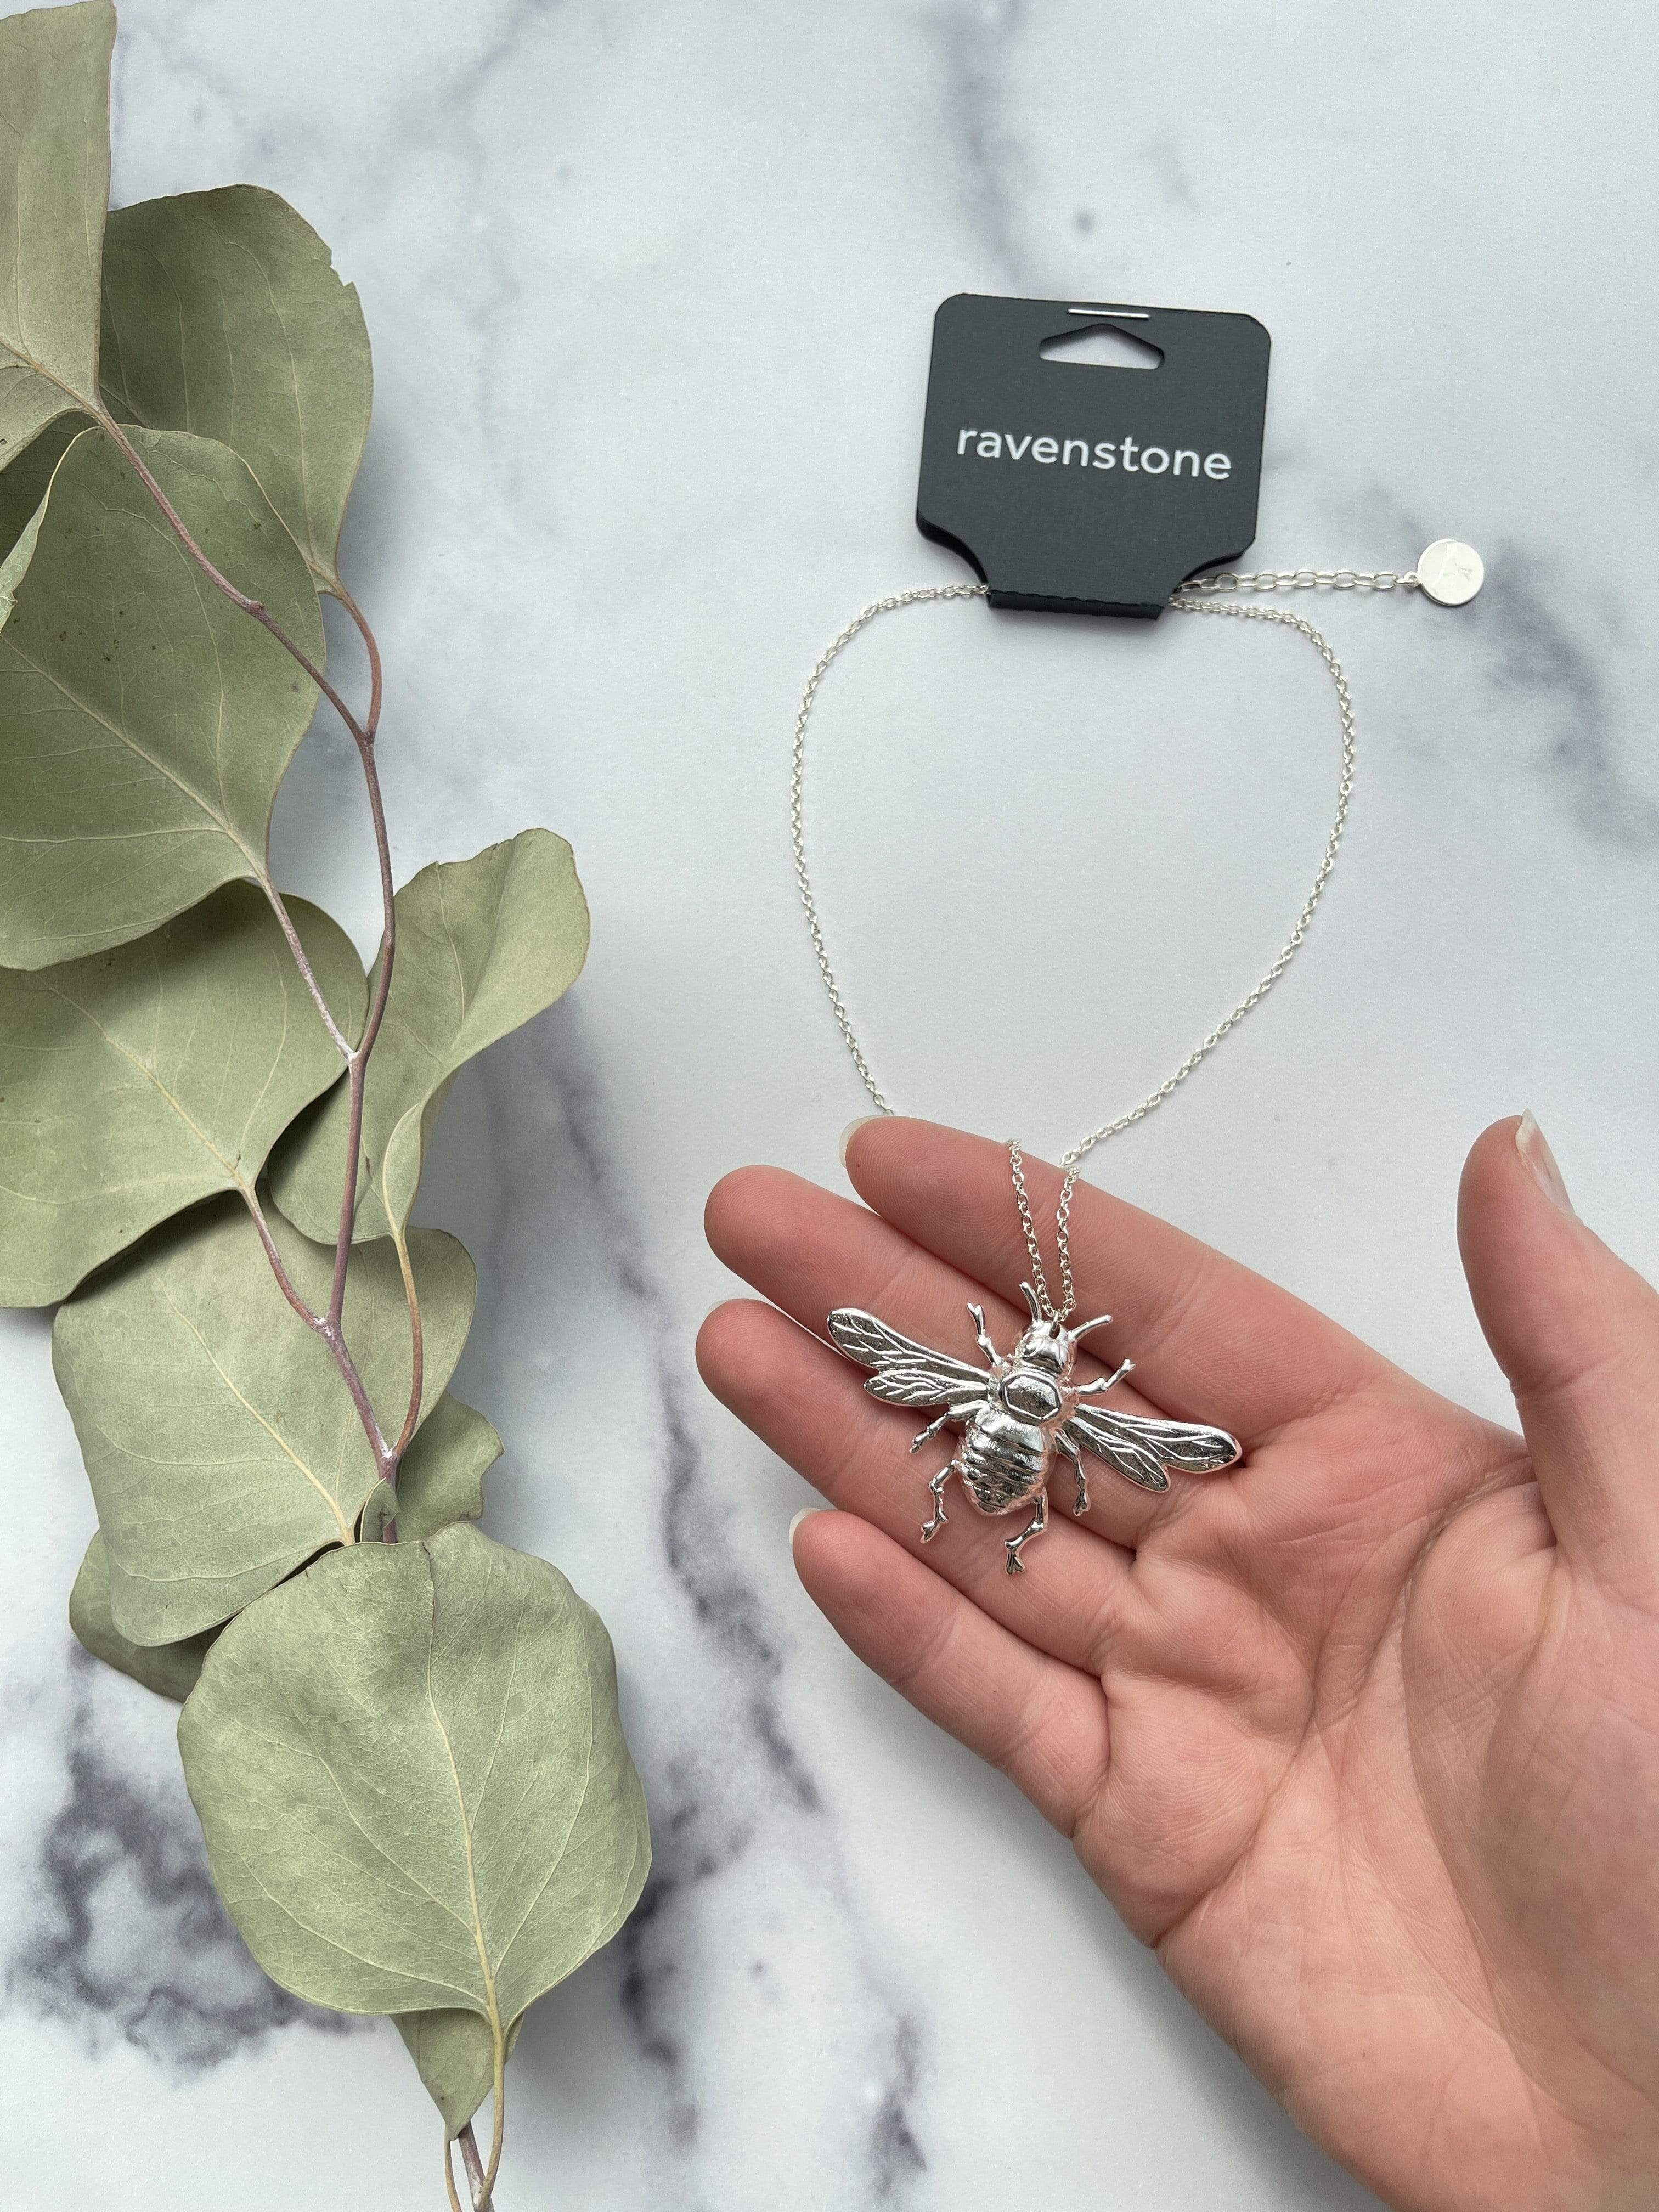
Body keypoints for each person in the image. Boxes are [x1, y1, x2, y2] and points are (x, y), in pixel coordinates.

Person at [697, 1112, 1659, 2212]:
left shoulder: (1006, 1388)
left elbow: (1129, 1441)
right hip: (1019, 1473)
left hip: (990, 1459)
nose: (1044, 1362)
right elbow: (1108, 1440)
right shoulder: (1065, 1408)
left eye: (1050, 1360)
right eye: (1044, 1357)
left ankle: (973, 1511)